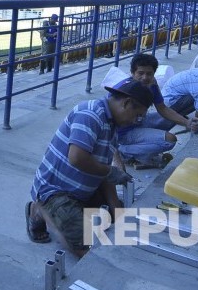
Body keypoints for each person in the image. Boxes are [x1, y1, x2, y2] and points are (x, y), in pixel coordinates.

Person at [26, 80, 153, 257]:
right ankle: (39, 209)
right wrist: (110, 172)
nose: (135, 121)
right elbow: (77, 158)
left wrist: (116, 208)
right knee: (84, 247)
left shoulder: (112, 125)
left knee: (113, 215)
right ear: (126, 103)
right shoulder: (91, 114)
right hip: (56, 190)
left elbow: (103, 168)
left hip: (81, 189)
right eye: (137, 115)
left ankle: (65, 213)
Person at [114, 53, 198, 168]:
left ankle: (140, 152)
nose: (145, 77)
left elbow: (163, 109)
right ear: (132, 73)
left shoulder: (151, 85)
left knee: (170, 120)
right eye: (140, 73)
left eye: (149, 74)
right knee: (170, 140)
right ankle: (124, 152)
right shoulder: (122, 91)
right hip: (123, 133)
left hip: (139, 122)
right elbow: (108, 123)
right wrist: (116, 158)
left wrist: (186, 122)